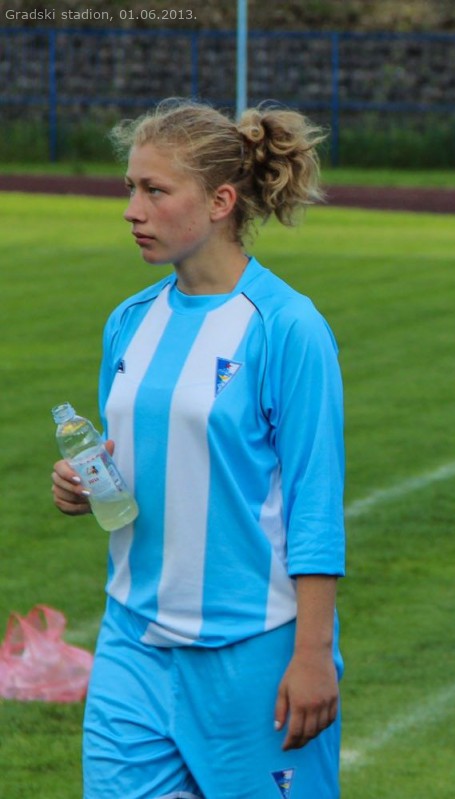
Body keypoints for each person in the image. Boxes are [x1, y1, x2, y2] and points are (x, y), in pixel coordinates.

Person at [50, 98, 345, 799]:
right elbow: (129, 461)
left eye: (155, 190)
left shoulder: (287, 327)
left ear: (220, 202)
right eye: (130, 188)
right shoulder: (128, 321)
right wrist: (85, 482)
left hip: (253, 650)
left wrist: (312, 653)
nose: (132, 210)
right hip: (132, 643)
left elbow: (315, 503)